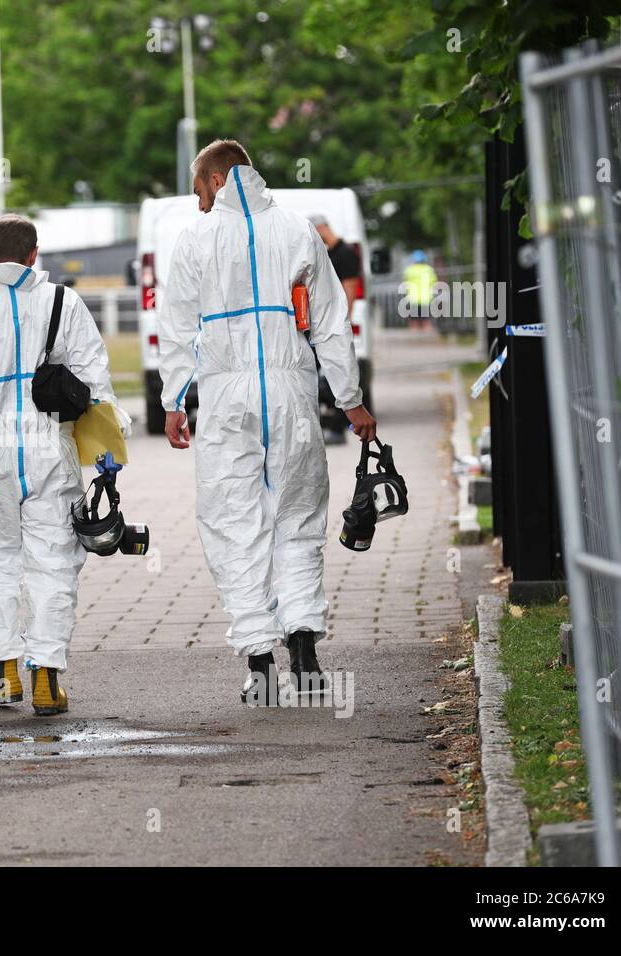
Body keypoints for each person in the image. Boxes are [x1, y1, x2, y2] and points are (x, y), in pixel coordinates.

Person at [158, 139, 376, 705]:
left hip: (226, 399)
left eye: (198, 191)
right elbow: (331, 322)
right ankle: (304, 655)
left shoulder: (195, 240)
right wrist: (350, 401)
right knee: (298, 520)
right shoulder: (298, 231)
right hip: (292, 395)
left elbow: (177, 327)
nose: (199, 204)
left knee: (234, 523)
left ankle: (259, 665)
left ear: (213, 180)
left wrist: (174, 400)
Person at [0, 214, 127, 716]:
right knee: (54, 563)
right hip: (51, 448)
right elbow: (95, 380)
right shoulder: (64, 303)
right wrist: (110, 451)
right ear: (33, 255)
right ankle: (47, 678)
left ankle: (3, 677)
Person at [308, 213, 364, 445]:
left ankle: (340, 427)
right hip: (322, 326)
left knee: (337, 376)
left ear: (321, 228)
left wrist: (344, 321)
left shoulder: (345, 254)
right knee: (322, 376)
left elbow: (349, 288)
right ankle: (332, 424)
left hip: (334, 326)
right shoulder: (329, 253)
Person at [402, 250, 438, 331]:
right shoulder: (429, 270)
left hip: (412, 299)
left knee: (413, 322)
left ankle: (412, 341)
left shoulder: (409, 270)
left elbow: (404, 282)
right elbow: (434, 282)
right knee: (426, 322)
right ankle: (428, 341)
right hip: (425, 299)